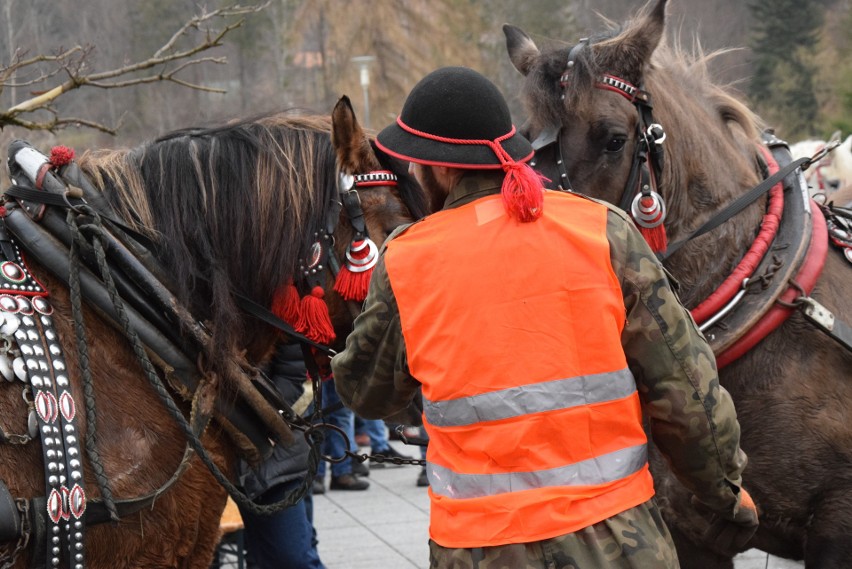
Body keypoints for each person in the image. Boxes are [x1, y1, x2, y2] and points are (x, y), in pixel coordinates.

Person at [330, 66, 758, 568]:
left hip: (481, 550)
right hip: (618, 544)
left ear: (437, 168)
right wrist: (724, 494)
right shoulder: (603, 231)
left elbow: (366, 394)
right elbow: (686, 389)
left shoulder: (407, 260)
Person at [236, 342, 326, 569]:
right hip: (215, 455)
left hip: (274, 453)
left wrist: (258, 423)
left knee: (292, 558)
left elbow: (293, 376)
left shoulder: (282, 311)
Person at [311, 376, 370, 492]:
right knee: (317, 417)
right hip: (313, 367)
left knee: (342, 417)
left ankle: (342, 473)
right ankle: (316, 474)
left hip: (339, 366)